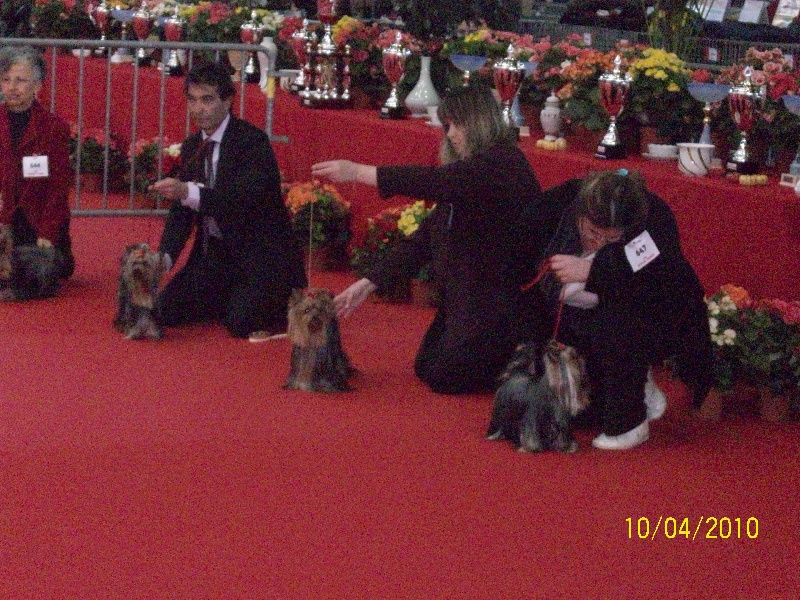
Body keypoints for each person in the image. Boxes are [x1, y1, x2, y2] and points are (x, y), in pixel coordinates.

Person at [311, 83, 544, 394]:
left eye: (456, 125)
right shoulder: (471, 172)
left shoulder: (503, 164)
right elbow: (422, 241)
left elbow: (434, 181)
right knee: (428, 365)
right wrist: (367, 284)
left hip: (500, 301)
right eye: (447, 126)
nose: (450, 135)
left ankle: (518, 354)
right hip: (468, 298)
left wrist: (357, 172)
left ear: (477, 122)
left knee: (446, 376)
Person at [529, 169, 714, 450]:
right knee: (582, 415)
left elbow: (652, 278)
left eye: (611, 238)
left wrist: (591, 269)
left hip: (655, 310)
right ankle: (635, 388)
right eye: (592, 232)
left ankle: (630, 423)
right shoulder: (560, 203)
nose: (599, 242)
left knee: (616, 320)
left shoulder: (656, 217)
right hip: (581, 315)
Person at [150, 61, 306, 338]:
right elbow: (181, 213)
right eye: (192, 100)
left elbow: (241, 201)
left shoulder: (252, 143)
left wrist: (187, 191)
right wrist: (163, 259)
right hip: (214, 256)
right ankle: (225, 296)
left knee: (241, 323)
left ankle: (279, 294)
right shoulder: (191, 146)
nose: (198, 109)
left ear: (229, 100)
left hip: (260, 256)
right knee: (163, 310)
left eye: (207, 100)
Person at [0, 44, 74, 280]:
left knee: (35, 271)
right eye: (6, 79)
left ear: (37, 86)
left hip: (36, 221)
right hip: (3, 219)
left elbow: (58, 188)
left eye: (20, 80)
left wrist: (48, 233)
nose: (12, 87)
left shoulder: (54, 128)